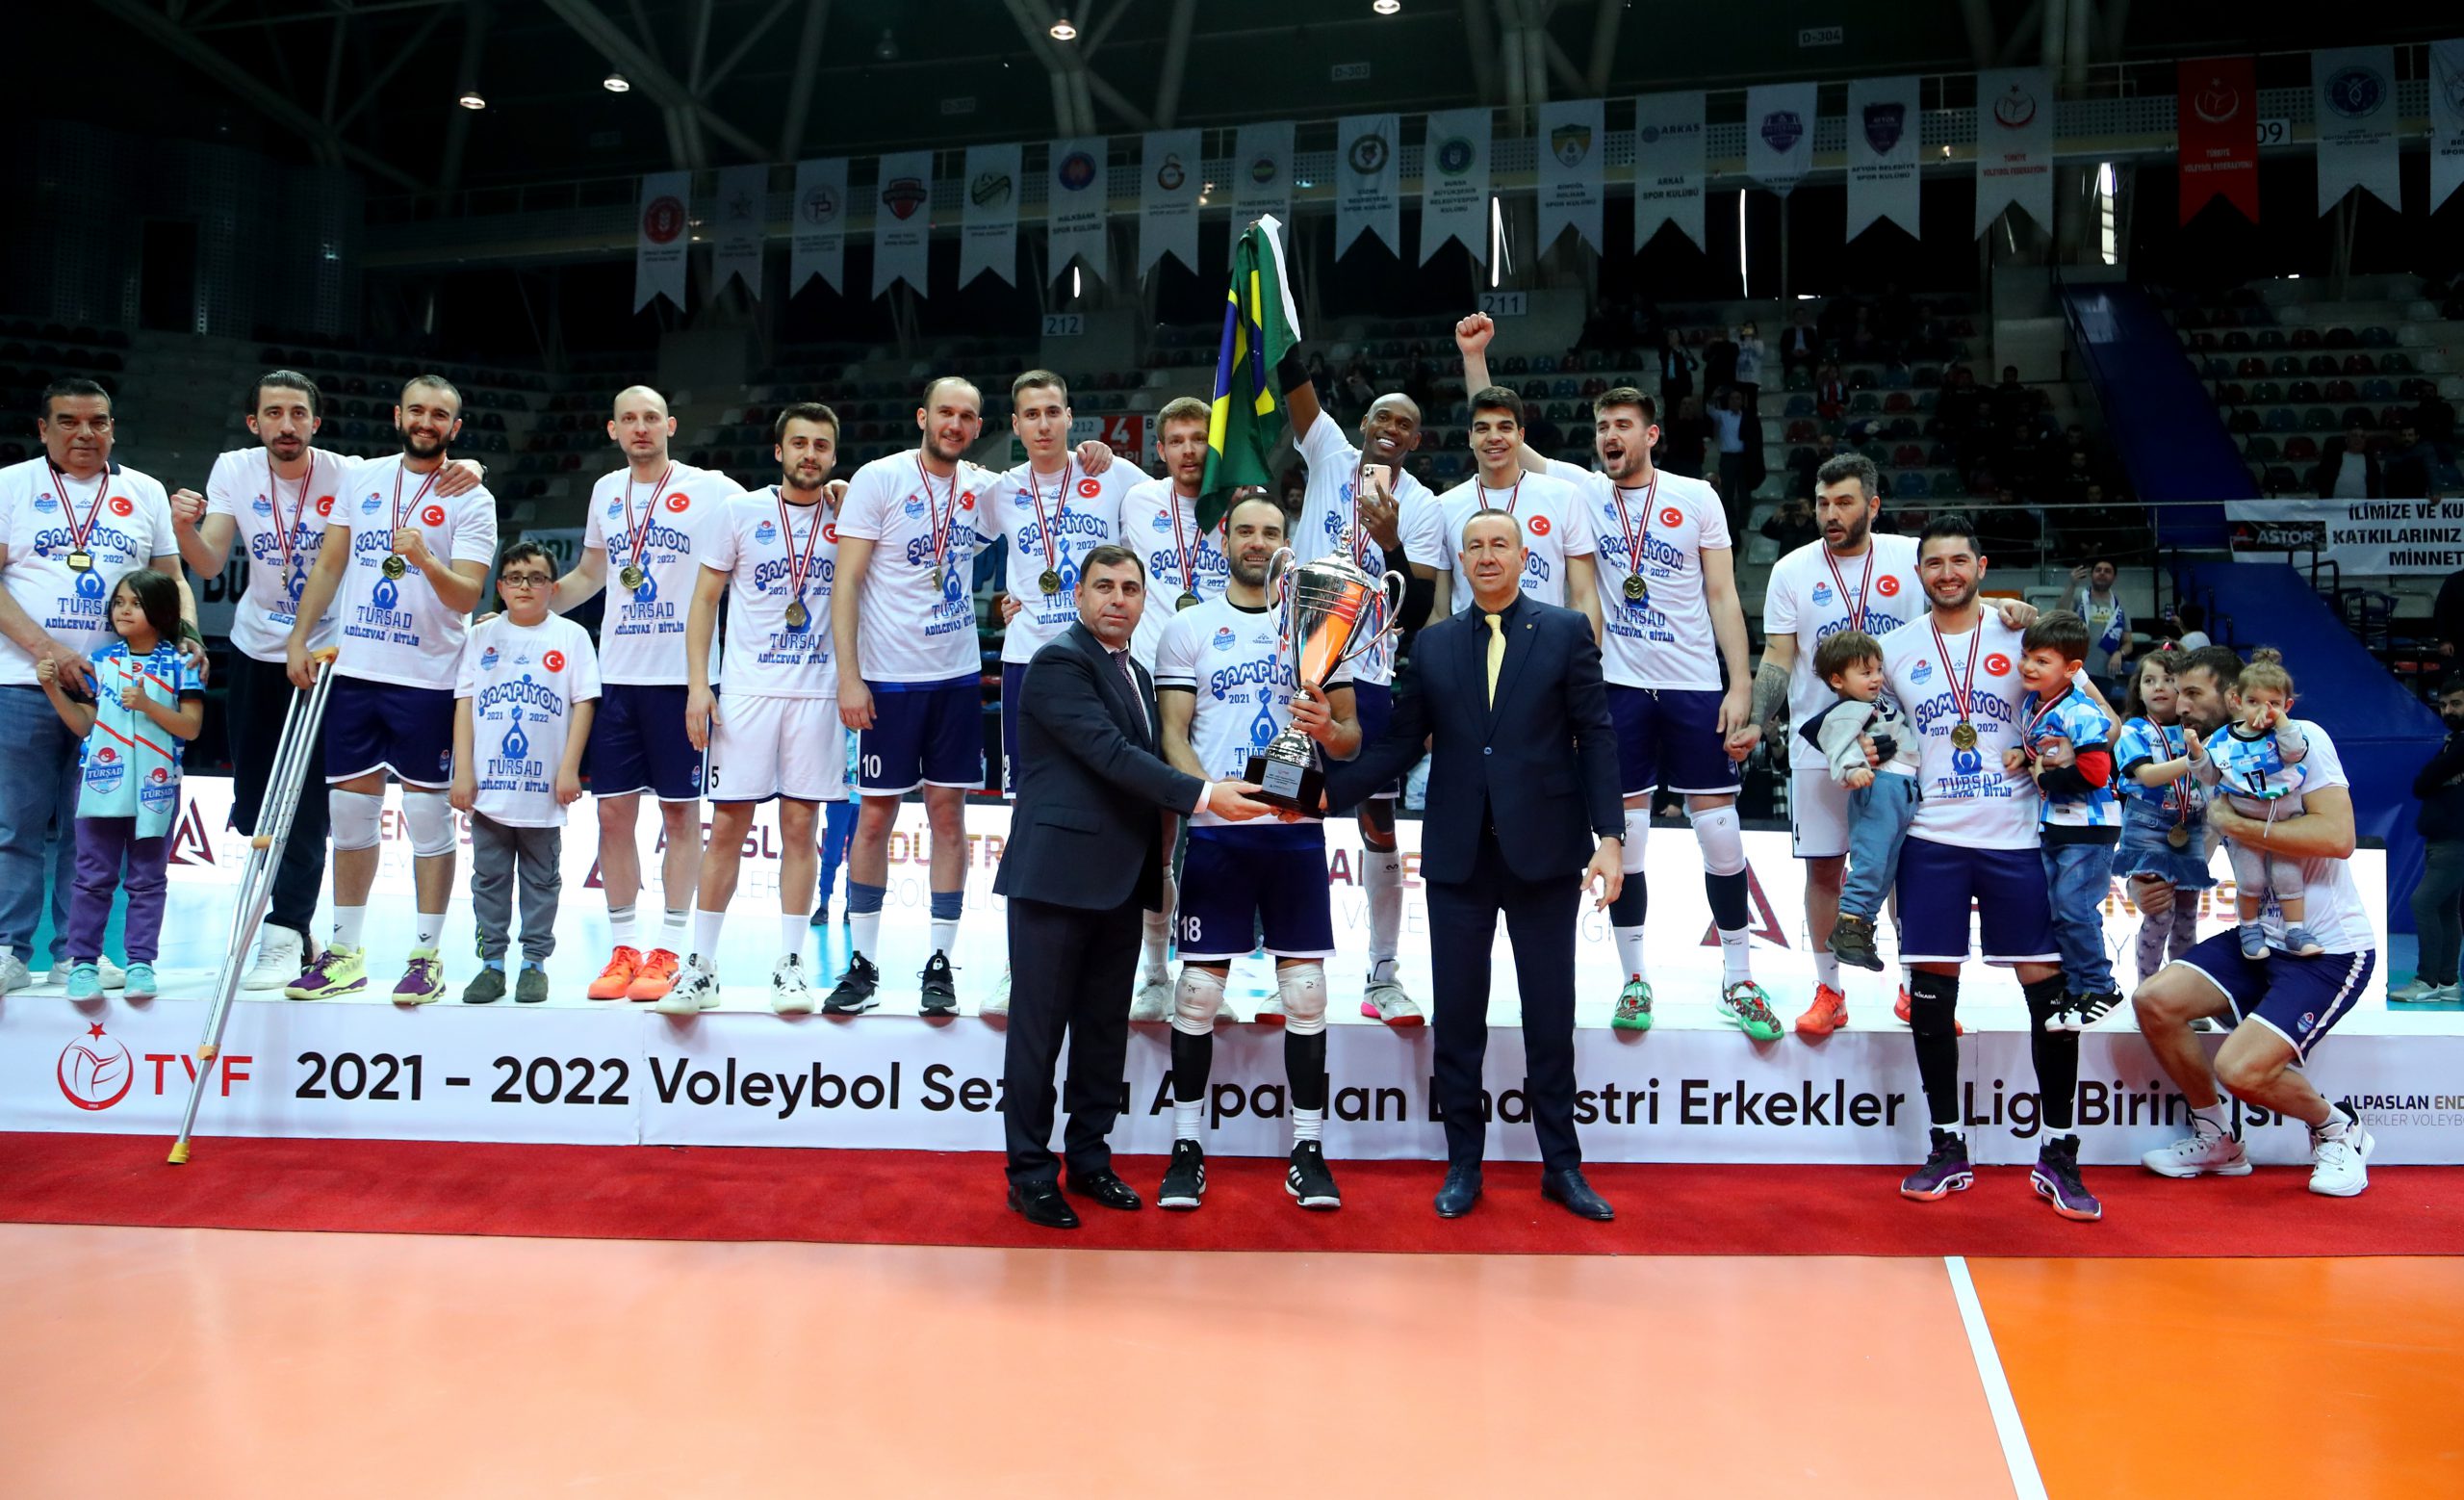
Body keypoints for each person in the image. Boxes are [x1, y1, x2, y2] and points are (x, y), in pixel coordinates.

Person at [1459, 316, 1780, 1042]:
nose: (1610, 436)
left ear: (1651, 435)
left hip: (1694, 684)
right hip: (1618, 689)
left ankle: (1739, 978)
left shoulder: (1697, 495)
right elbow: (1502, 437)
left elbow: (1723, 595)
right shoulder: (1579, 491)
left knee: (1721, 834)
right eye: (1603, 426)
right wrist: (1476, 358)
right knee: (1626, 838)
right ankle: (1635, 980)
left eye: (1623, 426)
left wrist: (1740, 683)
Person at [1327, 508, 1626, 1221]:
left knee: (1549, 1017)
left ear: (1523, 557)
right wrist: (1323, 793)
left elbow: (1596, 735)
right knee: (1459, 1017)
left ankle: (1562, 1166)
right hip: (1459, 855)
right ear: (1460, 561)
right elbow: (1402, 743)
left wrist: (1610, 837)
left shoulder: (1565, 631)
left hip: (1546, 853)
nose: (1487, 556)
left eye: (1500, 545)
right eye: (1475, 547)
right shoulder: (1432, 645)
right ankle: (1464, 1163)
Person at [168, 371, 484, 989]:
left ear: (316, 422)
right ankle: (317, 939)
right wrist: (185, 530)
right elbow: (236, 562)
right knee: (281, 806)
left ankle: (325, 937)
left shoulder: (361, 474)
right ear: (254, 422)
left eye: (298, 413)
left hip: (375, 662)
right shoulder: (258, 470)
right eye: (273, 412)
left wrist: (466, 474)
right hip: (289, 652)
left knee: (356, 808)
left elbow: (435, 495)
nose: (286, 424)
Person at [997, 544, 1278, 1229]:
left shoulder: (1138, 672)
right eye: (1104, 586)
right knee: (1038, 1035)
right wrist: (1207, 795)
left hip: (1121, 879)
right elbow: (1112, 756)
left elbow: (1145, 764)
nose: (1117, 599)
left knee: (1101, 1032)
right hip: (1056, 879)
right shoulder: (1059, 662)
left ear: (1144, 600)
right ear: (1079, 595)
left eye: (1130, 588)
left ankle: (1089, 1160)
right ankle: (1030, 1173)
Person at [1879, 515, 2098, 1222]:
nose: (1946, 573)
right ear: (1919, 573)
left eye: (1958, 561)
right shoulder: (1896, 649)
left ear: (1981, 566)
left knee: (2050, 993)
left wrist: (2058, 757)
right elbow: (1876, 734)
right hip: (1932, 837)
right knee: (1932, 994)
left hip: (2018, 837)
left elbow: (2100, 719)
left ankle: (2058, 1151)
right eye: (1933, 563)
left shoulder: (2022, 635)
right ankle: (1947, 1145)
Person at [1153, 496, 1361, 1212]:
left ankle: (1308, 1151)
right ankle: (1186, 1147)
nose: (1257, 542)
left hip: (1294, 826)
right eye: (1245, 530)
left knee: (1306, 994)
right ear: (1224, 540)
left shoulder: (1320, 625)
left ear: (1286, 545)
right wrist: (1208, 796)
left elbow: (1350, 739)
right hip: (1220, 830)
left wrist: (1325, 727)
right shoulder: (1189, 627)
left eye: (1271, 532)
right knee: (1198, 993)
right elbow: (1173, 733)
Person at [2133, 646, 2378, 1198]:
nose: (2181, 704)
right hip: (2259, 939)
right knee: (2156, 1001)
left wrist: (2240, 828)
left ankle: (2338, 1129)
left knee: (2241, 1070)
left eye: (2193, 694)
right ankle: (2216, 1138)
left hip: (2327, 949)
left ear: (2232, 696)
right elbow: (2199, 842)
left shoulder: (2304, 739)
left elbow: (2338, 838)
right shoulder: (2215, 755)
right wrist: (2146, 884)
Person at [281, 375, 495, 1005]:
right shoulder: (363, 477)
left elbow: (467, 596)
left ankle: (425, 957)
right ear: (398, 415)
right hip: (356, 674)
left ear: (455, 428)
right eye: (418, 411)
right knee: (349, 821)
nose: (427, 422)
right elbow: (330, 563)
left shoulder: (473, 497)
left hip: (429, 680)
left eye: (441, 415)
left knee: (428, 822)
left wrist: (425, 558)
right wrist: (299, 638)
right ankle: (345, 952)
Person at [0, 377, 195, 995]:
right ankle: (9, 948)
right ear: (43, 429)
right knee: (15, 826)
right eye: (68, 421)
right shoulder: (10, 485)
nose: (85, 433)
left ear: (112, 427)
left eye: (98, 422)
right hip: (26, 681)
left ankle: (77, 954)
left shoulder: (144, 490)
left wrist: (186, 633)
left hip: (120, 694)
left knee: (96, 829)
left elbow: (171, 578)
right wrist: (49, 652)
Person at [551, 386, 743, 1005]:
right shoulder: (606, 491)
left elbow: (775, 515)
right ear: (613, 430)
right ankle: (624, 948)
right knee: (612, 815)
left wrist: (834, 491)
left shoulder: (712, 488)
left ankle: (669, 948)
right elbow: (591, 574)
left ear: (670, 426)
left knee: (680, 815)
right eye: (629, 419)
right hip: (617, 678)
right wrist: (529, 606)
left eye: (651, 418)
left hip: (683, 680)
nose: (641, 428)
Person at [1279, 349, 1445, 1028]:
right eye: (1382, 417)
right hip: (1294, 672)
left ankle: (1383, 974)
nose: (1390, 429)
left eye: (1404, 424)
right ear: (1365, 422)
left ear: (1416, 440)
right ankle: (1289, 965)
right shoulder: (1328, 454)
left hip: (1369, 677)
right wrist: (1273, 301)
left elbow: (1420, 605)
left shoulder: (1424, 506)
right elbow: (1293, 379)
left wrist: (1393, 542)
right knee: (1286, 810)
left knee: (1378, 823)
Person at [665, 403, 848, 1017]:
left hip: (817, 693)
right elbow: (703, 602)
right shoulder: (740, 512)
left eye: (821, 446)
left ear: (833, 456)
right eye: (799, 443)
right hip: (746, 692)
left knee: (801, 828)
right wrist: (699, 685)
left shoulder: (847, 515)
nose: (809, 455)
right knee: (727, 829)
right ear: (778, 451)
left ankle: (791, 965)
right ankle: (701, 966)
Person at [830, 377, 995, 1016]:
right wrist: (850, 677)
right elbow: (846, 583)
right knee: (874, 818)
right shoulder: (879, 479)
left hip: (955, 678)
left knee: (949, 818)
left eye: (967, 416)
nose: (955, 423)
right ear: (922, 416)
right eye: (945, 412)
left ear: (978, 426)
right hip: (887, 679)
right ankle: (863, 963)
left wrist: (1094, 455)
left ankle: (940, 963)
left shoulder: (982, 487)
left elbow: (1047, 492)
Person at [979, 371, 1134, 1015]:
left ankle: (1111, 951)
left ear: (1071, 417)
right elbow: (938, 529)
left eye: (1052, 412)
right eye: (1030, 414)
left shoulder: (1114, 476)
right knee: (1029, 813)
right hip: (1027, 664)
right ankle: (1019, 962)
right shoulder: (997, 492)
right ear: (1015, 426)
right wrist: (996, 600)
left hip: (1099, 661)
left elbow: (1175, 514)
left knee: (1110, 798)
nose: (1042, 424)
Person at [1755, 455, 1923, 1033]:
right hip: (1821, 744)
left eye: (1844, 502)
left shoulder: (1909, 557)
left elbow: (1961, 604)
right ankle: (1830, 991)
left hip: (1901, 742)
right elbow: (1778, 655)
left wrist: (2008, 609)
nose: (1830, 513)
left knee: (1905, 870)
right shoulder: (1792, 569)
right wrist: (1757, 718)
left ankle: (1915, 989)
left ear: (1873, 505)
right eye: (1823, 503)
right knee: (1825, 871)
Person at [1116, 397, 1231, 1022]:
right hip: (1152, 685)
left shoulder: (1238, 503)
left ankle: (1211, 975)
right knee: (1158, 838)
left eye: (1199, 438)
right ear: (1159, 450)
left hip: (1222, 690)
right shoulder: (1136, 499)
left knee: (1218, 835)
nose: (1189, 450)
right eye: (1177, 439)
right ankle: (1156, 976)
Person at [37, 568, 202, 1000]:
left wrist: (148, 704)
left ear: (162, 611)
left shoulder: (182, 663)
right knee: (92, 876)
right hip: (100, 782)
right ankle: (83, 964)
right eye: (119, 603)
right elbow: (84, 724)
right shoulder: (101, 662)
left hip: (156, 786)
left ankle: (141, 963)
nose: (123, 611)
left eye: (136, 603)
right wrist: (52, 689)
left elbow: (190, 727)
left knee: (148, 878)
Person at [448, 541, 599, 1006]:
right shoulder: (481, 637)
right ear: (500, 587)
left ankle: (534, 963)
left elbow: (584, 703)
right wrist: (462, 772)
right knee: (489, 880)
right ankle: (491, 964)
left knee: (541, 881)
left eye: (536, 578)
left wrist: (570, 768)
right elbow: (465, 704)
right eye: (515, 578)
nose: (525, 586)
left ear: (553, 587)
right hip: (489, 789)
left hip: (543, 790)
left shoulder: (571, 636)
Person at [2009, 611, 2125, 1031]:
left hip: (2090, 827)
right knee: (2061, 909)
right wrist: (2023, 756)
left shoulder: (2081, 711)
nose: (2028, 666)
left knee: (2076, 908)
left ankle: (2101, 987)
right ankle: (2078, 991)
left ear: (2073, 669)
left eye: (2042, 661)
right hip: (2057, 822)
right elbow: (2041, 750)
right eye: (2026, 656)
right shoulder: (2032, 703)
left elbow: (2094, 772)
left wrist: (2043, 777)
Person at [1804, 630, 1919, 988]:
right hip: (1878, 788)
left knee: (1885, 871)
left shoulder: (1878, 702)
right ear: (1837, 680)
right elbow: (1838, 745)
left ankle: (1861, 930)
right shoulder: (1846, 712)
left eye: (1878, 670)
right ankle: (1850, 924)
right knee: (1870, 862)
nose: (1876, 678)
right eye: (1865, 672)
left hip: (1903, 791)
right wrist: (1852, 770)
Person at [2189, 649, 2321, 958]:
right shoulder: (2223, 739)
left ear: (2287, 706)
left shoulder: (2286, 734)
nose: (2264, 710)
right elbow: (2210, 775)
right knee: (2251, 879)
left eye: (2274, 703)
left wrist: (2282, 721)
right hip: (2245, 826)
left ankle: (2295, 930)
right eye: (2254, 701)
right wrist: (2197, 754)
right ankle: (2249, 928)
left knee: (2288, 876)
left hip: (2285, 823)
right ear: (2237, 701)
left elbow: (2294, 752)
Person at [1432, 386, 1598, 619]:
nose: (1494, 437)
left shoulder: (1564, 496)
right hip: (1471, 640)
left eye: (1504, 427)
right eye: (1482, 428)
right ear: (1470, 438)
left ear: (1520, 436)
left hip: (1546, 639)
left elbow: (1584, 596)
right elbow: (1439, 611)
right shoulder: (1443, 506)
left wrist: (1586, 645)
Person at [2113, 653, 2215, 990]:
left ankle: (2181, 996)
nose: (2159, 687)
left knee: (2186, 918)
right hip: (2147, 825)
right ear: (2138, 690)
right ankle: (2147, 991)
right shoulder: (2134, 729)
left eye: (2169, 680)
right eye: (2149, 680)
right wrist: (2196, 758)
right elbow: (2148, 776)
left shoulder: (2197, 730)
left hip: (2190, 824)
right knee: (2160, 914)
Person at [2398, 678, 2464, 1001]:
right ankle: (2448, 982)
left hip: (2455, 840)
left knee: (2423, 902)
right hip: (2443, 838)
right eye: (2443, 704)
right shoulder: (2453, 742)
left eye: (2457, 704)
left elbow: (2423, 783)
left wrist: (2436, 777)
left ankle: (2428, 981)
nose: (2448, 710)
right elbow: (2424, 783)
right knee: (2447, 910)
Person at [2066, 556, 2131, 693]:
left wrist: (2119, 653)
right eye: (2098, 570)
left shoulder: (2119, 606)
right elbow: (2060, 612)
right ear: (2092, 574)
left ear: (2114, 577)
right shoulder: (2079, 597)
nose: (2102, 573)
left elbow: (2128, 643)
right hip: (2076, 670)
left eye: (2107, 571)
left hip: (2105, 673)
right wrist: (2072, 585)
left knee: (2100, 706)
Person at [2313, 422, 2380, 500]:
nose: (2358, 439)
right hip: (2334, 504)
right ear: (2347, 440)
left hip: (2362, 505)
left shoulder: (2371, 463)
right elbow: (2320, 481)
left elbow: (2375, 488)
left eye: (2362, 437)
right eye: (2354, 436)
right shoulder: (2332, 459)